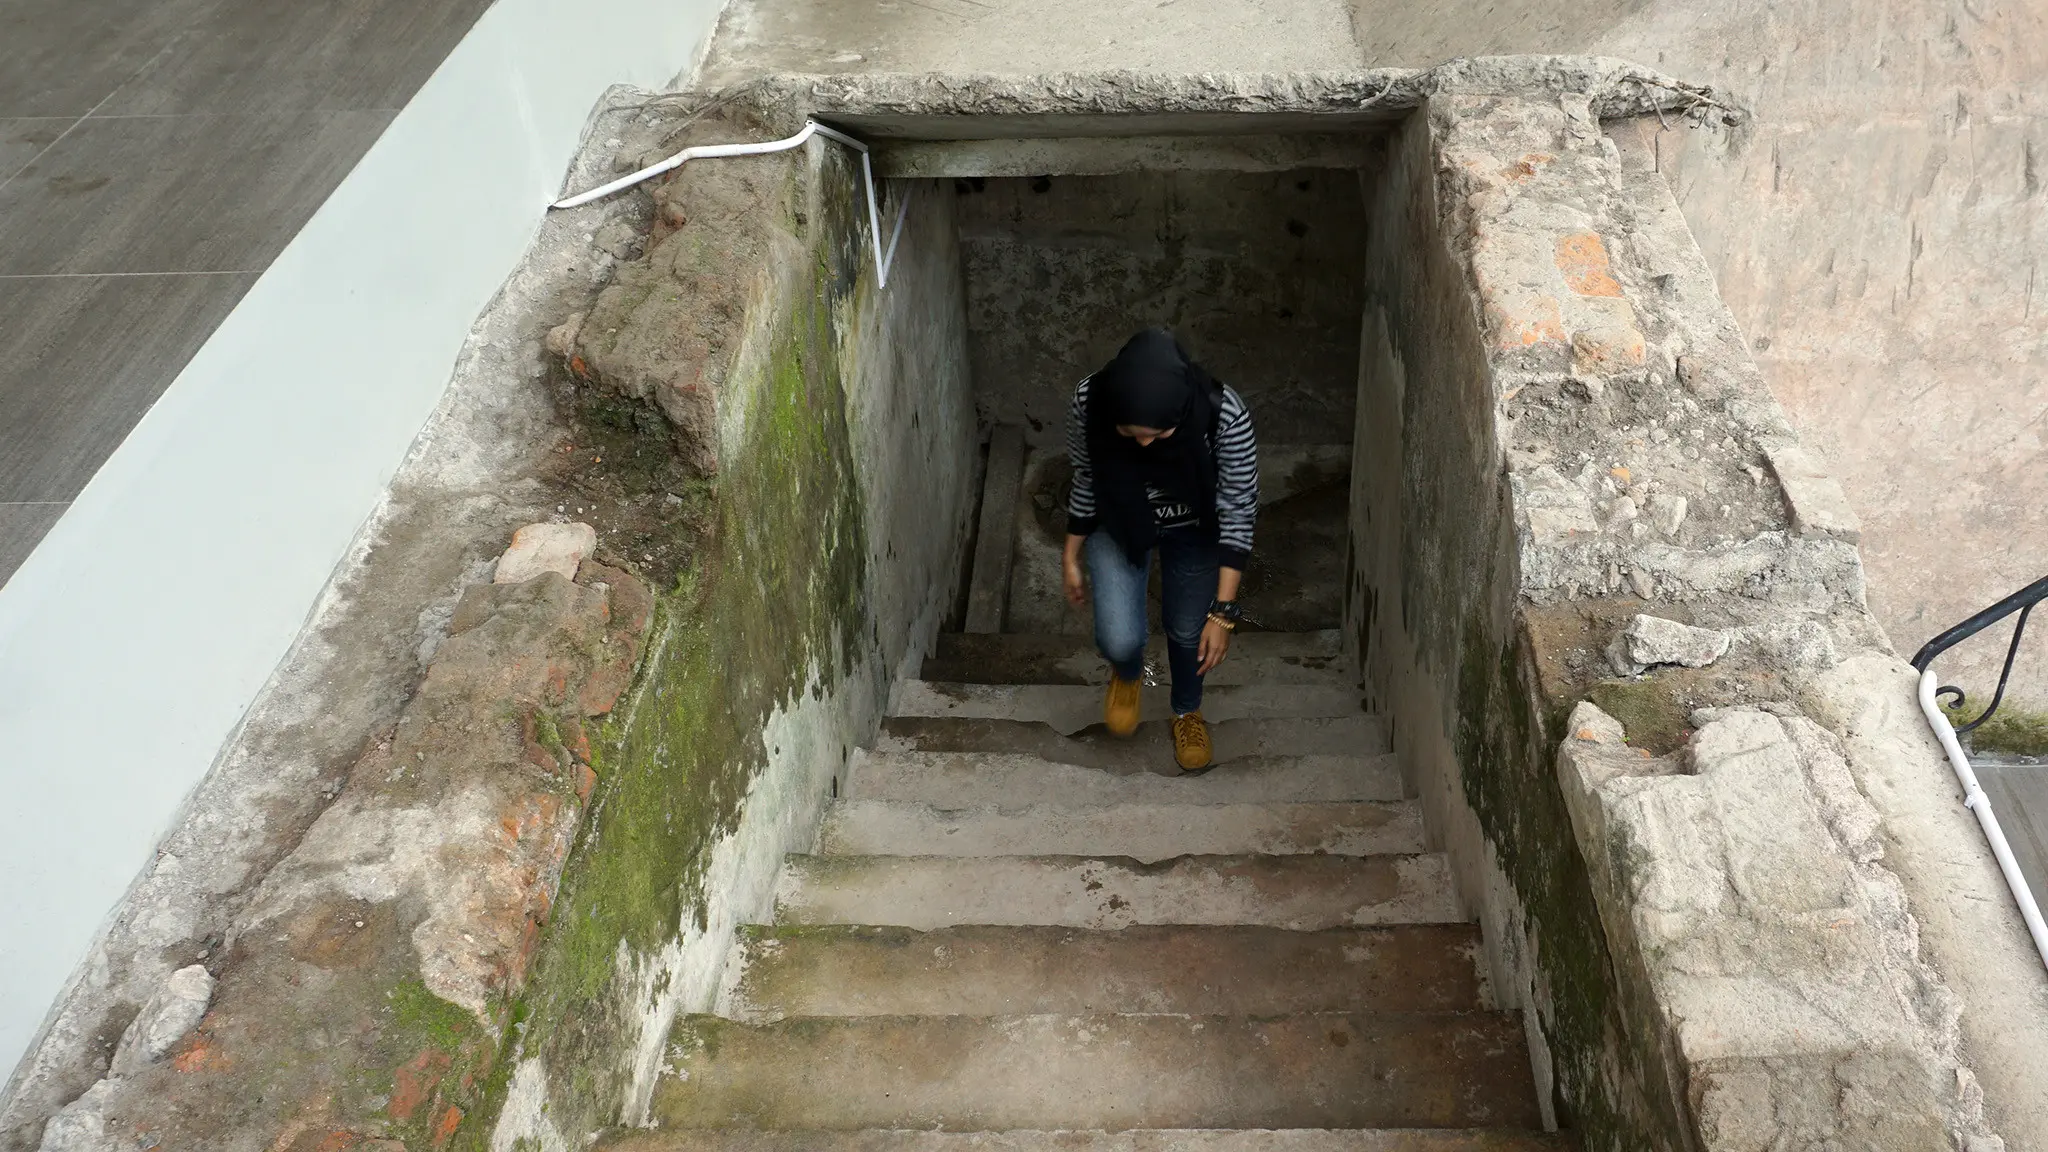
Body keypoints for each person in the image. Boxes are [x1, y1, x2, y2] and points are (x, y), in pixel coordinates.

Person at [1062, 328, 1258, 772]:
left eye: (1160, 433)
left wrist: (1223, 611)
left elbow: (1238, 510)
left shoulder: (1224, 413)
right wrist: (1070, 552)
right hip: (1119, 520)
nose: (1146, 446)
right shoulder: (1090, 401)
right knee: (1119, 636)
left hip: (1196, 528)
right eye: (1131, 434)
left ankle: (1187, 711)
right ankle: (1128, 673)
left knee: (1189, 633)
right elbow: (1087, 475)